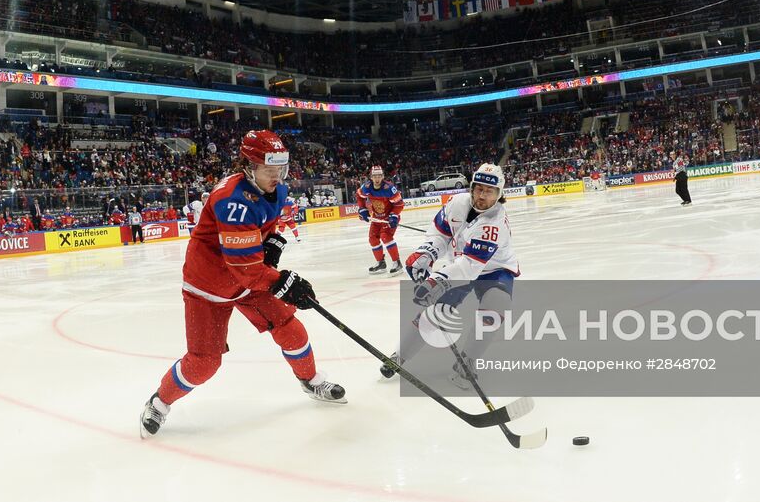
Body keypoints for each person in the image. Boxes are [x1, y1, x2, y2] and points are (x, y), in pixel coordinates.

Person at [138, 130, 344, 438]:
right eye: (269, 169)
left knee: (289, 327)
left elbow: (267, 225)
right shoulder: (231, 201)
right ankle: (159, 402)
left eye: (282, 169)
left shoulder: (276, 189)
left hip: (247, 278)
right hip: (209, 287)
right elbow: (247, 271)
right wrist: (285, 282)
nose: (278, 176)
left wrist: (272, 241)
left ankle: (312, 380)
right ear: (249, 166)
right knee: (203, 363)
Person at [383, 163, 518, 385]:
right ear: (472, 187)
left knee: (496, 305)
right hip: (459, 263)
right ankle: (399, 356)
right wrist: (427, 253)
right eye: (479, 188)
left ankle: (468, 360)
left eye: (489, 191)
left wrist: (436, 280)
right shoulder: (457, 202)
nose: (482, 195)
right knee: (434, 313)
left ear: (499, 195)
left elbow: (470, 267)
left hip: (494, 269)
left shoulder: (494, 223)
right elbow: (441, 233)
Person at [355, 165, 404, 275]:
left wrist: (394, 215)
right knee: (373, 239)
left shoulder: (389, 188)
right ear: (371, 177)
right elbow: (359, 196)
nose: (377, 179)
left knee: (386, 236)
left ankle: (397, 263)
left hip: (389, 218)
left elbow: (399, 204)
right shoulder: (366, 187)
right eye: (375, 176)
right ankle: (380, 263)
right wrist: (362, 209)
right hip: (377, 218)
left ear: (382, 176)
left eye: (379, 176)